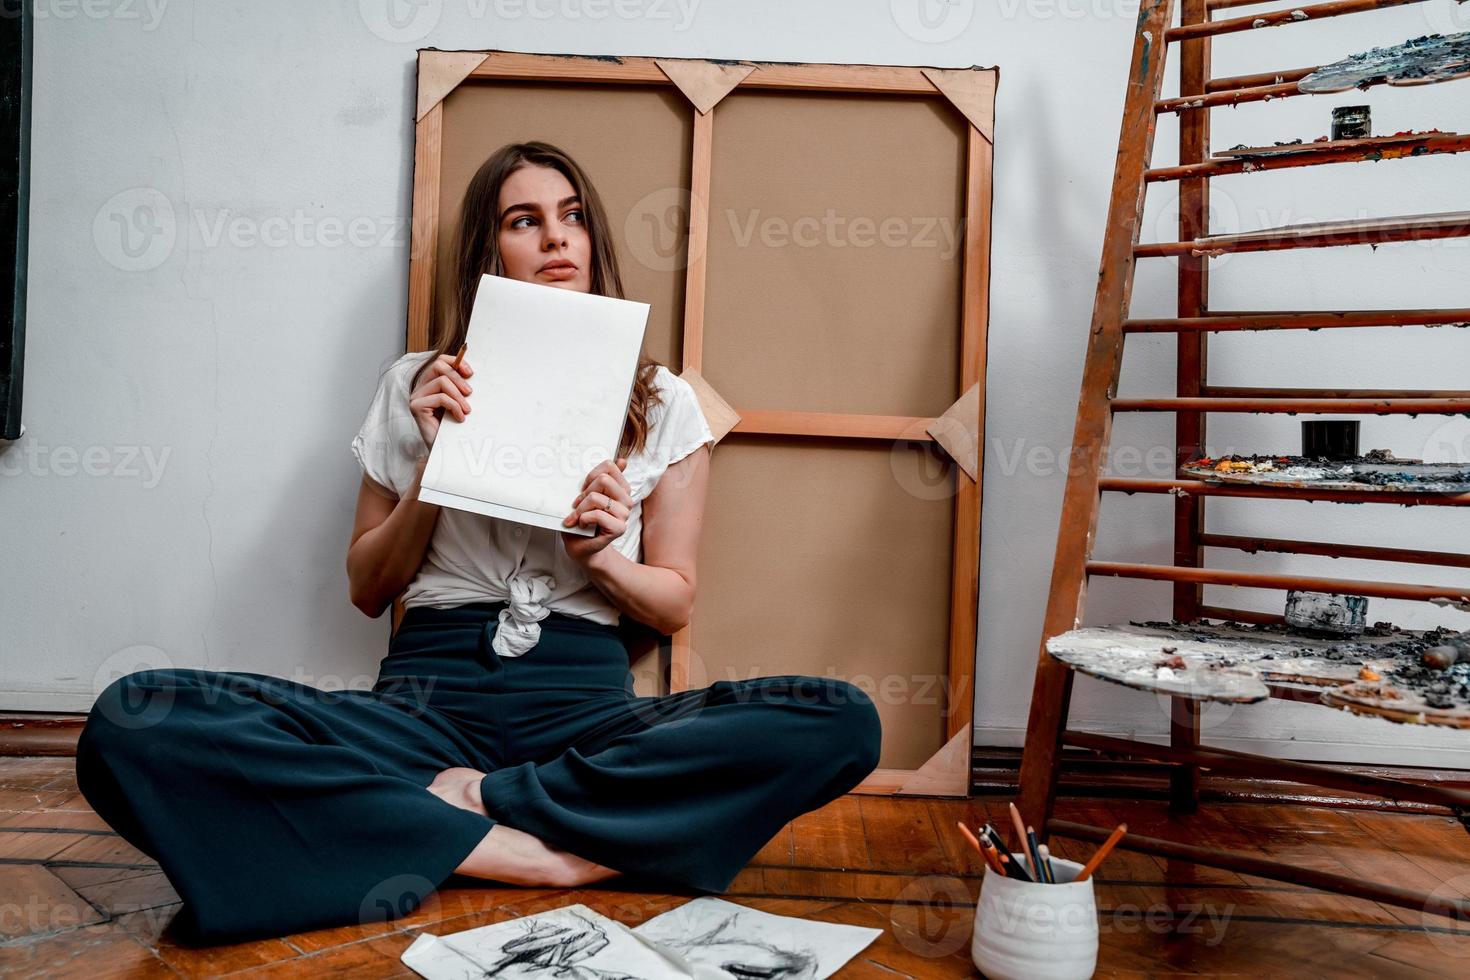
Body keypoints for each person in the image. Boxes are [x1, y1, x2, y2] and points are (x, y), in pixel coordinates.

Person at [74, 140, 883, 946]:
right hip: (427, 708)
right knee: (132, 718)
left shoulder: (663, 402)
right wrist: (434, 466)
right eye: (524, 221)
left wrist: (600, 557)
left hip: (584, 716)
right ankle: (549, 854)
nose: (557, 238)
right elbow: (366, 588)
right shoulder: (417, 383)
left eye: (572, 218)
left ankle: (456, 811)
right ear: (486, 253)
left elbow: (673, 601)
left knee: (838, 719)